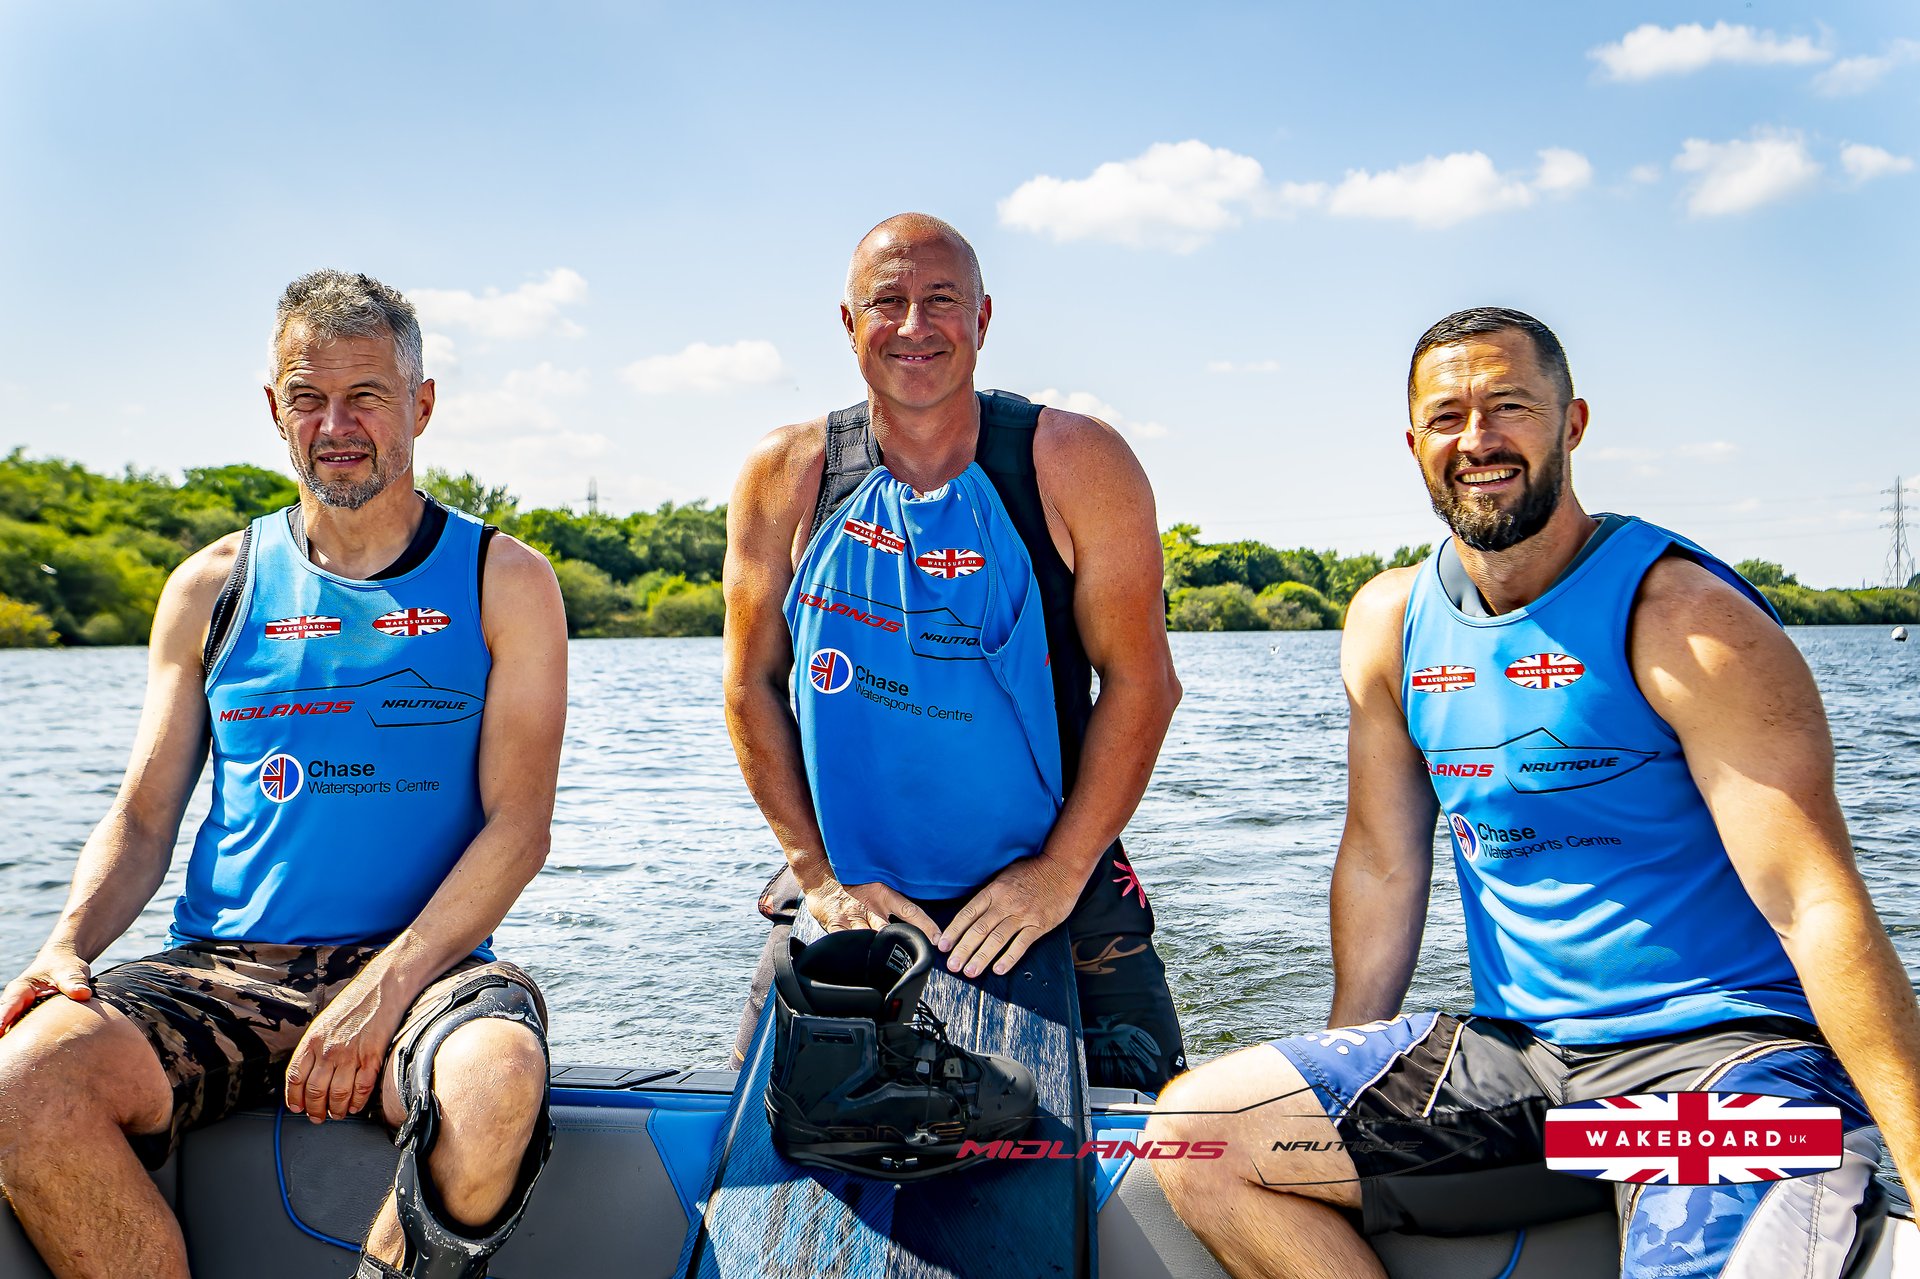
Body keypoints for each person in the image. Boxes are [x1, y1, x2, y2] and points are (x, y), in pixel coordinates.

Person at [1147, 307, 1920, 1277]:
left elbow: (1817, 904)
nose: (1478, 439)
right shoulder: (1393, 622)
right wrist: (1345, 1078)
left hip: (1721, 1073)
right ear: (1414, 442)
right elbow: (1384, 862)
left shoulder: (1687, 622)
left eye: (1509, 405)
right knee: (1201, 1141)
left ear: (1573, 422)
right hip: (1532, 1075)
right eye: (1448, 415)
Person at [0, 270, 569, 1279]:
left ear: (421, 406)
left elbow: (518, 829)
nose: (335, 424)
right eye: (308, 398)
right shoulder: (212, 587)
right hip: (226, 967)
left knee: (497, 1082)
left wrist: (383, 989)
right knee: (22, 1081)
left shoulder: (504, 580)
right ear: (275, 410)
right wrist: (65, 942)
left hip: (427, 965)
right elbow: (142, 819)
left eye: (367, 397)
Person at [723, 213, 1187, 1092]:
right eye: (886, 302)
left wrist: (1057, 873)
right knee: (762, 1142)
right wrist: (820, 877)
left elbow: (1144, 682)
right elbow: (751, 688)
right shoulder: (785, 474)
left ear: (981, 319)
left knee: (1168, 1146)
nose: (914, 325)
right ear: (848, 324)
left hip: (1059, 880)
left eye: (941, 301)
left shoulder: (1075, 460)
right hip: (851, 887)